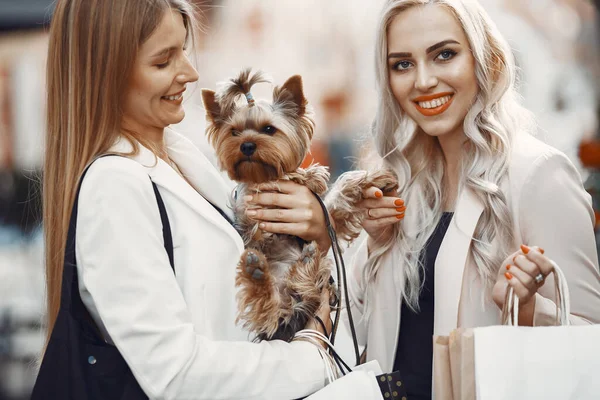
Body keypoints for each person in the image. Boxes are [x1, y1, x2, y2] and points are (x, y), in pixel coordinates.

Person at [40, 0, 335, 398]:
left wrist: (317, 227)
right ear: (107, 74)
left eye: (183, 50)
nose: (190, 73)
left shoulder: (181, 158)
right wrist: (312, 354)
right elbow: (176, 374)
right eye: (164, 62)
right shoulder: (114, 187)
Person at [342, 0, 600, 399]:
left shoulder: (539, 175)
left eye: (444, 55)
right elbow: (353, 333)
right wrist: (376, 245)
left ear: (486, 59)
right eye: (402, 64)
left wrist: (530, 311)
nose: (423, 81)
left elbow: (589, 347)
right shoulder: (400, 183)